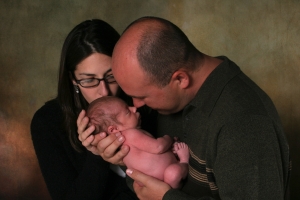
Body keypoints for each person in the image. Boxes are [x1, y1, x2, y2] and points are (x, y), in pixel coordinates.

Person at [78, 16, 291, 200]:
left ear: (180, 79)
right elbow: (148, 169)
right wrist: (115, 153)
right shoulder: (167, 99)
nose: (136, 106)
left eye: (142, 96)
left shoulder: (244, 123)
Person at [31, 19, 141, 200]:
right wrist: (96, 156)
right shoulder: (47, 122)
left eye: (111, 76)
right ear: (73, 79)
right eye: (89, 80)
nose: (104, 91)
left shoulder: (141, 104)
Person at [86, 96, 190, 189]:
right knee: (173, 173)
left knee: (172, 175)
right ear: (113, 129)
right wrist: (169, 138)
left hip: (150, 185)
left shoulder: (119, 145)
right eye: (127, 112)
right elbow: (159, 147)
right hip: (167, 175)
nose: (134, 108)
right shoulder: (130, 134)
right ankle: (184, 161)